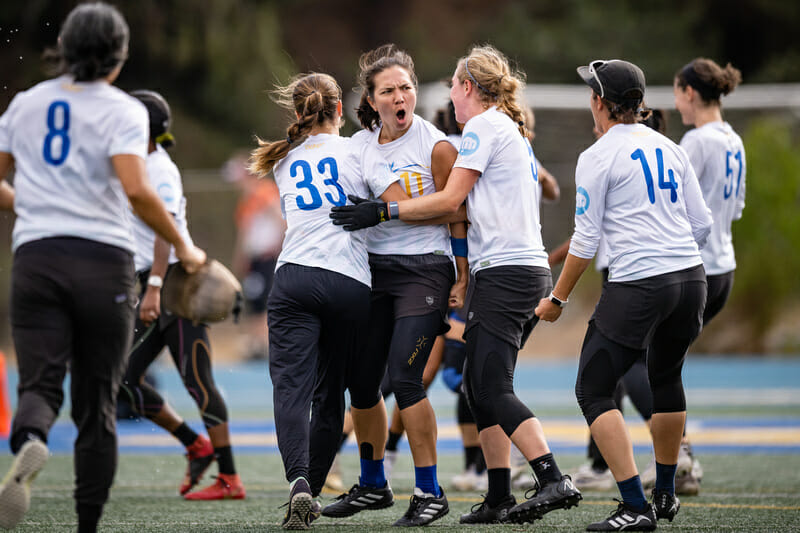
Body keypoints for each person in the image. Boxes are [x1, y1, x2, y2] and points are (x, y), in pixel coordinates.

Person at [331, 44, 582, 526]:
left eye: (451, 82)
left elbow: (451, 200)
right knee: (477, 386)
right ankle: (498, 496)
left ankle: (551, 477)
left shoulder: (482, 128)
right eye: (392, 89)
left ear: (468, 87)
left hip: (505, 271)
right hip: (507, 269)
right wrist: (466, 270)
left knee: (484, 385)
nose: (444, 91)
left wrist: (385, 210)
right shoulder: (504, 130)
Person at [0, 4, 206, 531]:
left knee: (39, 387)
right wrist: (184, 246)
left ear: (63, 49)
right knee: (98, 405)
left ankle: (29, 441)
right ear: (119, 57)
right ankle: (87, 525)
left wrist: (27, 206)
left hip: (37, 258)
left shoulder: (25, 104)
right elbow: (137, 190)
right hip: (103, 263)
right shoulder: (124, 111)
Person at [534, 59, 712, 531]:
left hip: (641, 282)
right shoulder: (670, 147)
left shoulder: (597, 155)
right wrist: (672, 257)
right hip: (691, 279)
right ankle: (666, 493)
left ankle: (636, 506)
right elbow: (703, 226)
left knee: (592, 388)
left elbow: (586, 242)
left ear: (599, 102)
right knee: (666, 377)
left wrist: (558, 299)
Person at [248, 72, 408, 530]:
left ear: (297, 114)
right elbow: (395, 205)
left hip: (294, 278)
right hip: (349, 282)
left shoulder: (282, 159)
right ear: (341, 109)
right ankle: (313, 492)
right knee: (329, 393)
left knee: (291, 390)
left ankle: (298, 482)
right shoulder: (359, 148)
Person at [321, 44, 468, 527]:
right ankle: (372, 484)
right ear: (373, 98)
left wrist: (462, 272)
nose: (401, 95)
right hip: (373, 272)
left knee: (405, 379)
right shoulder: (359, 146)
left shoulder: (436, 144)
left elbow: (454, 209)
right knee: (361, 384)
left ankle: (430, 492)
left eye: (406, 86)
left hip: (425, 270)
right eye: (390, 90)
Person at [117, 89, 244, 501]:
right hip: (152, 282)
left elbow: (165, 230)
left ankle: (229, 478)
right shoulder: (135, 165)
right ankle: (195, 444)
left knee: (198, 381)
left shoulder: (159, 169)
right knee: (120, 378)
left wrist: (153, 287)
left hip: (174, 283)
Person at [226, 153, 285, 360]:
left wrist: (279, 246)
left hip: (267, 257)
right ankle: (258, 344)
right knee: (254, 301)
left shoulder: (263, 193)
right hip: (255, 259)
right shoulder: (246, 202)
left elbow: (280, 220)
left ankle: (266, 345)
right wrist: (241, 259)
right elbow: (245, 234)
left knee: (265, 300)